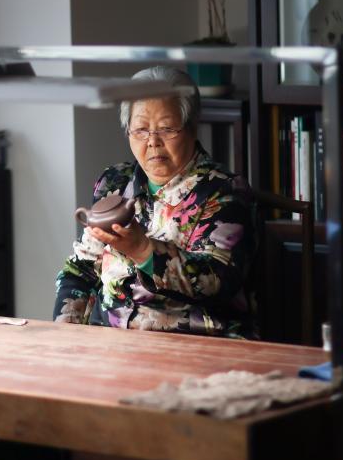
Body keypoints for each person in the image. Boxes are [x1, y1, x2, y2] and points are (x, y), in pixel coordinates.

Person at [54, 66, 254, 337]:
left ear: (192, 127)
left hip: (193, 342)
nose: (152, 142)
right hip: (112, 342)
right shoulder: (114, 183)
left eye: (166, 129)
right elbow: (82, 270)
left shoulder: (223, 190)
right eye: (140, 129)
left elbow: (218, 282)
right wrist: (66, 333)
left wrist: (143, 250)